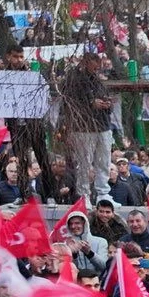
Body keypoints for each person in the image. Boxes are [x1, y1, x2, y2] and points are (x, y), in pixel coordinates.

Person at [60, 53, 116, 203]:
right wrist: (91, 104)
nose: (97, 67)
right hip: (83, 128)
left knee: (104, 161)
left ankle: (103, 192)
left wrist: (107, 104)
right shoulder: (73, 80)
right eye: (94, 63)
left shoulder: (98, 81)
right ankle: (84, 194)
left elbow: (105, 98)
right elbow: (70, 105)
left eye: (99, 64)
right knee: (84, 163)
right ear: (86, 63)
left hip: (103, 126)